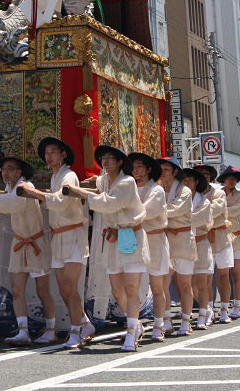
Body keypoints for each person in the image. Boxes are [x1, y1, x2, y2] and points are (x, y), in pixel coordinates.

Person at [70, 146, 149, 352]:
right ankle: (136, 324)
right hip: (114, 237)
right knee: (116, 289)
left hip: (131, 234)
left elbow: (109, 203)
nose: (105, 161)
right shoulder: (104, 181)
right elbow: (97, 183)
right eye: (103, 157)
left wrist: (81, 192)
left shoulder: (127, 181)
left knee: (131, 288)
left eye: (110, 158)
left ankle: (131, 332)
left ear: (120, 162)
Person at [18, 138, 93, 350]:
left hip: (73, 234)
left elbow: (60, 203)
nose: (49, 156)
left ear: (63, 154)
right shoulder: (55, 177)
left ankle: (76, 331)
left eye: (53, 152)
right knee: (63, 289)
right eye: (47, 153)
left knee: (71, 287)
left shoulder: (69, 176)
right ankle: (85, 324)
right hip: (59, 236)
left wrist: (34, 193)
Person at [0, 157, 55, 346]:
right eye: (3, 169)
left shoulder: (25, 186)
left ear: (19, 172)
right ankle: (23, 331)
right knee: (17, 290)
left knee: (42, 290)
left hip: (36, 243)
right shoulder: (11, 188)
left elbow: (13, 203)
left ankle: (51, 330)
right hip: (19, 243)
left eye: (10, 169)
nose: (5, 172)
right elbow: (7, 199)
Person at [130, 152, 170, 342]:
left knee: (157, 287)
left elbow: (144, 212)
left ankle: (158, 325)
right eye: (133, 166)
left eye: (139, 166)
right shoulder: (129, 187)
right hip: (134, 240)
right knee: (133, 286)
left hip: (154, 239)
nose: (135, 170)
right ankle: (134, 324)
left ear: (148, 170)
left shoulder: (157, 190)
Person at [157, 155, 196, 336]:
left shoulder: (185, 191)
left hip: (182, 237)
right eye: (161, 169)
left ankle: (186, 321)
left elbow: (175, 209)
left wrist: (150, 210)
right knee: (163, 282)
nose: (162, 172)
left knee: (184, 283)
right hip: (164, 238)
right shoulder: (157, 189)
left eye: (166, 169)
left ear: (175, 172)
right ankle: (166, 320)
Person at [194, 163, 233, 326]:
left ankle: (224, 310)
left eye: (207, 173)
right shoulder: (191, 194)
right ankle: (208, 308)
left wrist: (194, 213)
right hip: (201, 239)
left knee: (224, 277)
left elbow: (215, 210)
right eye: (201, 173)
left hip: (221, 239)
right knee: (205, 279)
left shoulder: (218, 192)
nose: (205, 175)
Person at [182, 168, 213, 330]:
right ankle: (200, 309)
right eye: (184, 180)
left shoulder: (204, 202)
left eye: (190, 180)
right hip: (184, 242)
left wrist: (177, 218)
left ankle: (203, 313)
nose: (186, 183)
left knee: (201, 283)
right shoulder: (179, 199)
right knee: (187, 283)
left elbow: (195, 220)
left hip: (200, 243)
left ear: (196, 182)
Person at [217, 165, 240, 320]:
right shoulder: (218, 193)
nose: (231, 181)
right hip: (220, 236)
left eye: (234, 179)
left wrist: (218, 211)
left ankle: (236, 305)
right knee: (221, 273)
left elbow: (236, 211)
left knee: (235, 272)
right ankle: (222, 305)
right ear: (224, 179)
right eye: (229, 178)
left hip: (235, 236)